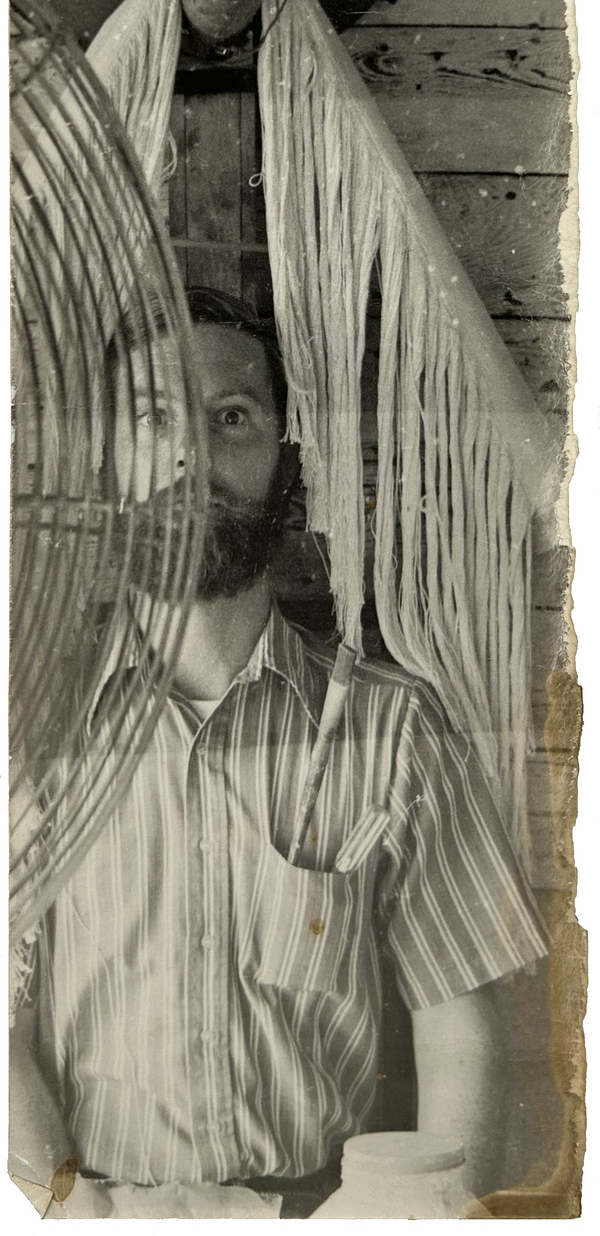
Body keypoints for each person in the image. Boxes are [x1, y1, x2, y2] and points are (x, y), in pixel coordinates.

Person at [11, 289, 548, 1219]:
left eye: (232, 417)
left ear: (286, 463)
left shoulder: (395, 730)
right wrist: (69, 1210)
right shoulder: (28, 735)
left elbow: (462, 1032)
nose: (192, 454)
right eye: (153, 420)